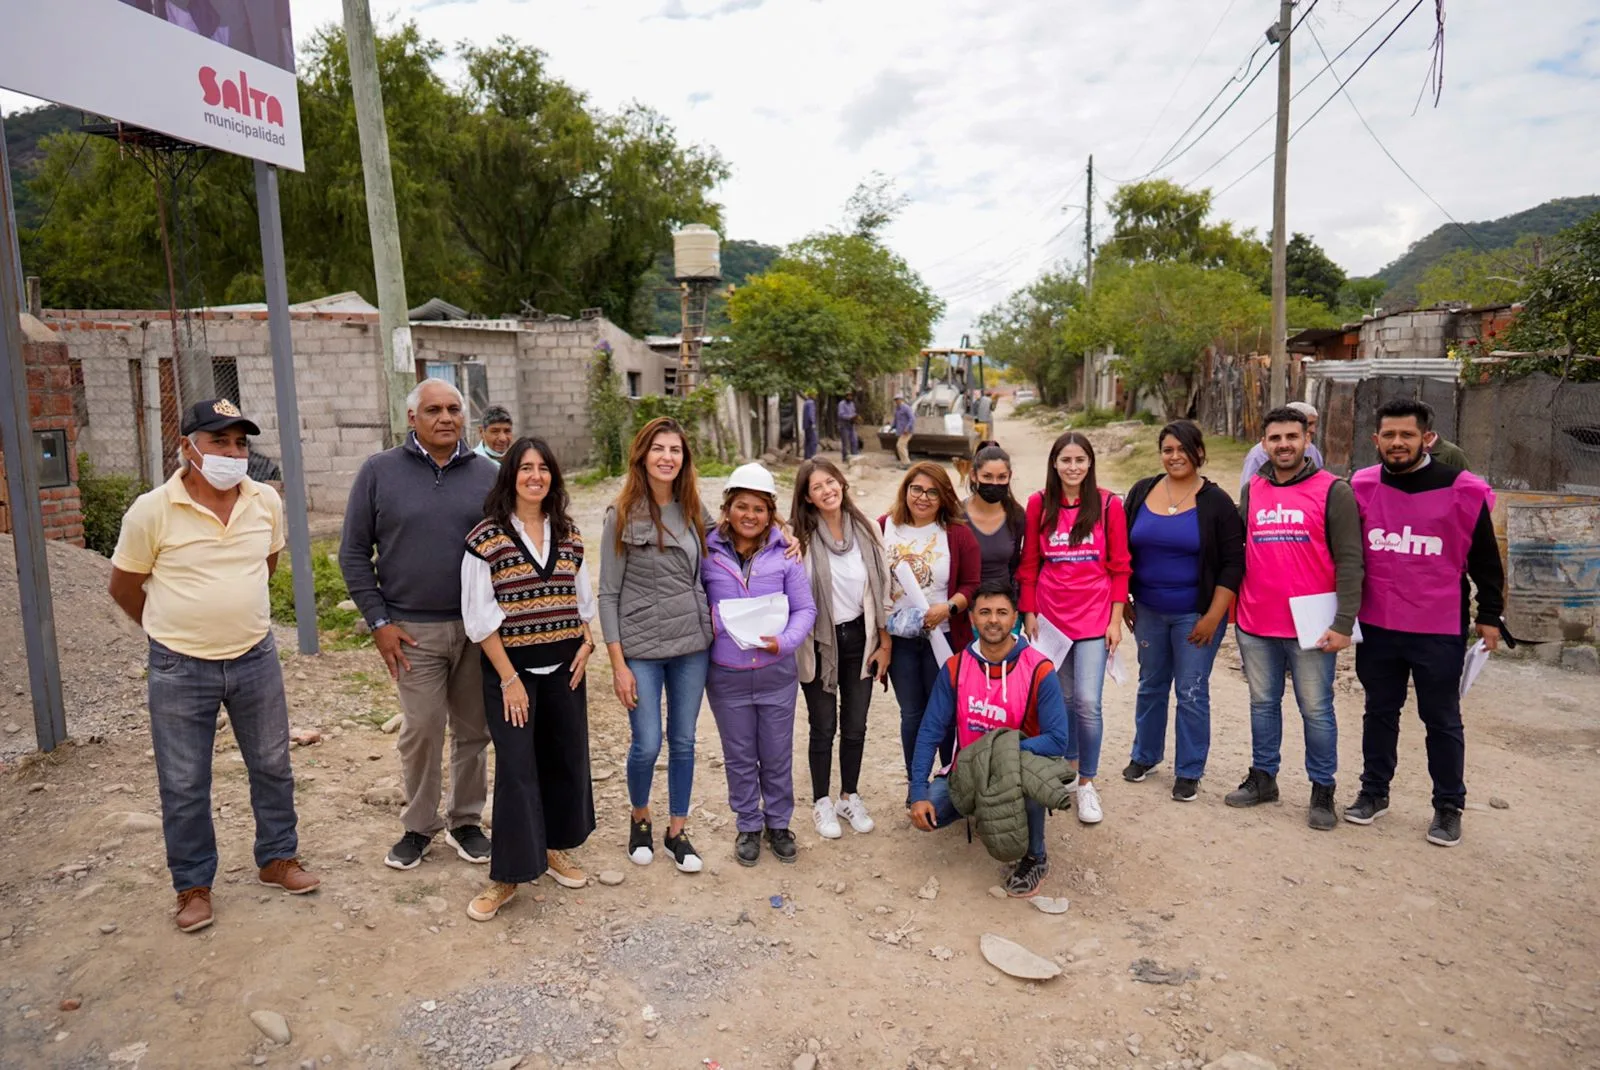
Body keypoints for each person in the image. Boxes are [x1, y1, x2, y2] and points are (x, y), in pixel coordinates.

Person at [109, 398, 319, 933]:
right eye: (219, 441)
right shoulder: (152, 510)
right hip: (180, 667)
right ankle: (193, 886)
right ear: (188, 447)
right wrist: (171, 630)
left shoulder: (263, 502)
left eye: (240, 443)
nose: (231, 452)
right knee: (183, 782)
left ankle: (277, 858)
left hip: (255, 656)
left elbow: (264, 566)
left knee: (273, 764)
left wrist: (230, 613)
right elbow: (125, 587)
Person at [340, 380, 498, 871]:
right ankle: (417, 826)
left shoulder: (489, 474)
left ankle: (466, 821)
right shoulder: (379, 472)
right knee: (424, 728)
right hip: (412, 631)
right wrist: (379, 621)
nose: (446, 418)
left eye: (454, 409)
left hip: (479, 629)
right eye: (433, 410)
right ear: (412, 417)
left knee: (474, 730)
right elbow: (353, 553)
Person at [1345, 399, 1504, 848]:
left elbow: (1486, 561)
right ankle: (1374, 793)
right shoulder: (1361, 485)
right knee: (1379, 710)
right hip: (1378, 623)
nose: (1398, 443)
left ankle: (1448, 806)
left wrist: (1489, 615)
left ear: (1427, 438)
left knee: (1441, 718)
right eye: (1389, 436)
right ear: (1376, 440)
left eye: (1407, 435)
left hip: (1438, 625)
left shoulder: (1463, 489)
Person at [460, 437, 598, 922]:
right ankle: (507, 876)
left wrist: (586, 645)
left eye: (543, 468)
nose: (535, 476)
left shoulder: (570, 535)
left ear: (553, 477)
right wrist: (509, 679)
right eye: (525, 468)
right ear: (510, 476)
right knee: (518, 770)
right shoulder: (487, 539)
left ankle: (555, 847)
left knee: (564, 759)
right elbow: (479, 619)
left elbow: (583, 605)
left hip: (565, 669)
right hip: (512, 671)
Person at [1225, 407, 1364, 830]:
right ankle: (1264, 777)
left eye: (1291, 436)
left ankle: (1322, 788)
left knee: (1316, 709)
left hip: (1311, 626)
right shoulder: (1255, 487)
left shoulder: (1333, 490)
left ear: (1307, 440)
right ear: (1263, 443)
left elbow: (1350, 560)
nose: (1283, 444)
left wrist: (1343, 622)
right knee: (1262, 705)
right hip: (1256, 620)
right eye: (1275, 438)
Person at [599, 417, 713, 874]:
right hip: (641, 650)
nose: (668, 457)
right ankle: (640, 818)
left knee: (684, 742)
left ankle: (676, 831)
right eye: (659, 449)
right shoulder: (620, 514)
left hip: (691, 647)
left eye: (676, 450)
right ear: (642, 456)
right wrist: (618, 665)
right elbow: (607, 593)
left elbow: (742, 541)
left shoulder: (693, 511)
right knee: (647, 743)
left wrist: (784, 538)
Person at [908, 581, 1072, 897]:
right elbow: (930, 731)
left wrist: (1000, 754)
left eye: (1001, 612)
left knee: (1030, 773)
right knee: (930, 817)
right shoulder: (956, 667)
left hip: (1017, 768)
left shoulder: (1040, 669)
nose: (993, 620)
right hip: (968, 770)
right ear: (971, 619)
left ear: (1015, 619)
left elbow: (1057, 740)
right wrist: (917, 793)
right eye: (984, 612)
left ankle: (1035, 856)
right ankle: (983, 809)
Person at [1121, 421, 1246, 801]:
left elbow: (1232, 563)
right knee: (1151, 685)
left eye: (1182, 449)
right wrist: (1125, 599)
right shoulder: (1143, 491)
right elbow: (1123, 551)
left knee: (1191, 691)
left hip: (1196, 614)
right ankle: (1145, 755)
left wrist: (1214, 615)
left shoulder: (1216, 501)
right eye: (1168, 449)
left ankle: (1189, 770)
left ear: (1199, 453)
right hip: (1148, 610)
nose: (1174, 456)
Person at [700, 464, 818, 865]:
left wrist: (784, 642)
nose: (750, 515)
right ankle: (748, 824)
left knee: (776, 752)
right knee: (738, 754)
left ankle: (779, 823)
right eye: (741, 507)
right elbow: (695, 603)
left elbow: (805, 608)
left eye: (759, 509)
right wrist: (717, 622)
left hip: (776, 675)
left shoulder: (784, 554)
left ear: (771, 513)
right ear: (728, 508)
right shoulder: (706, 551)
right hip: (727, 676)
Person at [1018, 431, 1130, 825]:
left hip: (1094, 618)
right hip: (1050, 619)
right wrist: (1029, 613)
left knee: (1088, 702)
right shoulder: (1038, 504)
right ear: (1054, 463)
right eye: (1066, 460)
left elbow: (1120, 567)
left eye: (1080, 460)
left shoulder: (1108, 504)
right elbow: (1029, 564)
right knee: (1062, 701)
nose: (1073, 467)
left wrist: (1116, 621)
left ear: (1089, 463)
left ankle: (1087, 782)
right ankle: (1067, 767)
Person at [792, 458, 893, 841]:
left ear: (842, 483)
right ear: (807, 496)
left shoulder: (867, 528)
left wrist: (885, 641)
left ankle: (849, 796)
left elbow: (883, 590)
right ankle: (821, 801)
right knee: (823, 727)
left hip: (861, 639)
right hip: (819, 642)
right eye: (817, 487)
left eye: (831, 482)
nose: (827, 490)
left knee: (855, 726)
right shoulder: (796, 538)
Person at [881, 462, 982, 796]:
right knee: (912, 714)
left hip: (944, 636)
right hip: (901, 640)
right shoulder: (884, 527)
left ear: (944, 497)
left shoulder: (957, 533)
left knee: (946, 713)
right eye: (917, 489)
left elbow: (971, 584)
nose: (923, 497)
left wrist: (949, 607)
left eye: (932, 492)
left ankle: (950, 782)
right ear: (906, 490)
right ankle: (916, 784)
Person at [963, 441, 1025, 598]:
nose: (995, 484)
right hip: (965, 607)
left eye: (1002, 477)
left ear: (1009, 476)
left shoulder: (1016, 515)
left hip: (1004, 606)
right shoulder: (956, 515)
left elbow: (1016, 564)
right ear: (973, 475)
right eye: (987, 476)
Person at [1238, 401, 1323, 497]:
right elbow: (1248, 492)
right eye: (1309, 424)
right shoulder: (1257, 455)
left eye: (1292, 436)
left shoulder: (1313, 451)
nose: (1313, 429)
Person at [892, 392, 916, 467]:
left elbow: (912, 418)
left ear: (901, 399)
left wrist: (907, 428)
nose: (896, 401)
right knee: (903, 446)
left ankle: (906, 463)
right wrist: (891, 427)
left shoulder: (906, 408)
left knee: (900, 445)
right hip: (900, 431)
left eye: (898, 399)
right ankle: (904, 463)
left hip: (907, 431)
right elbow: (896, 420)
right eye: (895, 400)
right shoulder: (897, 409)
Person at [837, 392, 860, 461]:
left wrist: (856, 417)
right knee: (845, 443)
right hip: (844, 426)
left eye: (851, 396)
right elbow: (841, 414)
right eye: (848, 396)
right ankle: (845, 459)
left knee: (854, 441)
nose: (849, 397)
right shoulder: (841, 404)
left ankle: (855, 457)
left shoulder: (852, 404)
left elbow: (854, 412)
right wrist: (850, 417)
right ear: (845, 396)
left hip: (851, 425)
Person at [801, 393, 819, 460]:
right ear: (811, 395)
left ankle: (807, 457)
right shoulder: (811, 403)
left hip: (806, 425)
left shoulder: (806, 402)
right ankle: (812, 457)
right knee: (813, 441)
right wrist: (813, 423)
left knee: (807, 442)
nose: (815, 396)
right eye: (814, 394)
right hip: (810, 425)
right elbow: (811, 414)